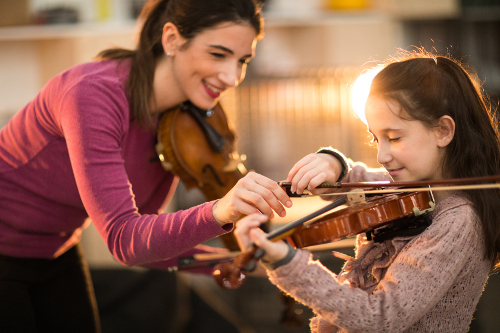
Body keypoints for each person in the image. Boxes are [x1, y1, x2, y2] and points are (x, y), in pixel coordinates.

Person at [0, 0, 343, 332]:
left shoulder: (177, 120)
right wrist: (221, 211)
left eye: (243, 60)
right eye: (218, 54)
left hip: (56, 249)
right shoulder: (92, 95)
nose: (231, 76)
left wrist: (230, 262)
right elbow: (125, 241)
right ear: (172, 40)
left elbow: (149, 239)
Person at [234, 50, 500, 332]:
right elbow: (363, 183)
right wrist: (333, 163)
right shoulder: (418, 191)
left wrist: (289, 264)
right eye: (375, 138)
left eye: (394, 138)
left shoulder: (459, 221)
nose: (382, 155)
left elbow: (379, 318)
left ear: (443, 131)